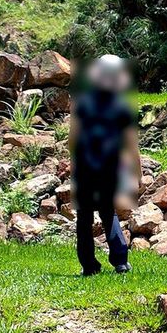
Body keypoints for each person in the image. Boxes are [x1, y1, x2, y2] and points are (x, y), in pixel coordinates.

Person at [68, 55, 142, 276]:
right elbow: (131, 143)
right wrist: (138, 173)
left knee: (84, 217)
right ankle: (120, 261)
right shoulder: (122, 106)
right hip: (109, 168)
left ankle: (89, 266)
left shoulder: (83, 102)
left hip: (85, 168)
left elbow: (73, 138)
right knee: (108, 213)